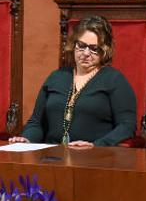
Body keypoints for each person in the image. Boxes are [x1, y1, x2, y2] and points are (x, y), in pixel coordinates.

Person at [9, 15, 136, 147]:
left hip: (94, 158)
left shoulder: (114, 79)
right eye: (81, 45)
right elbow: (36, 123)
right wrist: (26, 139)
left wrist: (96, 145)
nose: (86, 53)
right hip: (51, 156)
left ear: (104, 51)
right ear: (73, 44)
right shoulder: (56, 77)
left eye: (94, 48)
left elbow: (127, 126)